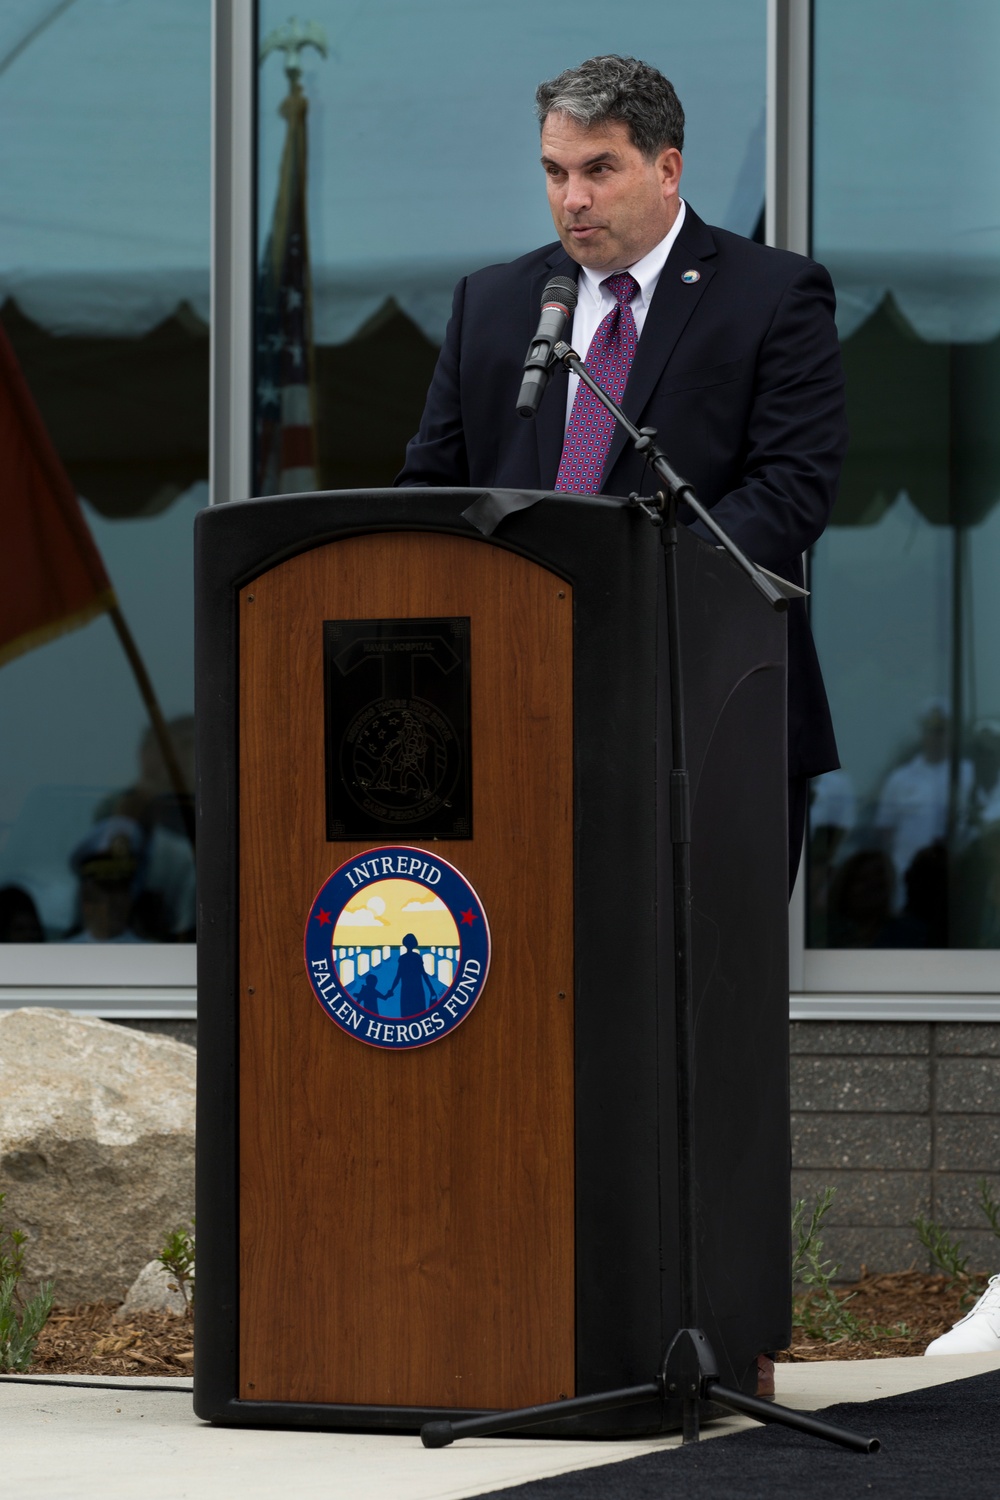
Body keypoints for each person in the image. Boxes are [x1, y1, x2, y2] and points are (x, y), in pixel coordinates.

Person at [397, 54, 848, 888]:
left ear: (667, 167)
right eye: (555, 171)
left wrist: (621, 582)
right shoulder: (494, 303)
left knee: (697, 999)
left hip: (705, 711)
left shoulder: (772, 295)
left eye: (599, 169)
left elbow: (790, 495)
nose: (573, 198)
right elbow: (430, 487)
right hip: (516, 715)